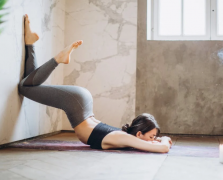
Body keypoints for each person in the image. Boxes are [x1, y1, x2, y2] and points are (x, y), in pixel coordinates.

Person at [18, 14, 172, 153]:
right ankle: (58, 58)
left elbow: (155, 144)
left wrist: (156, 139)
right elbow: (164, 148)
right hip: (76, 104)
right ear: (139, 134)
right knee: (24, 87)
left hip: (81, 103)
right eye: (152, 137)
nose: (154, 140)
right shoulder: (127, 139)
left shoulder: (125, 137)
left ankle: (30, 43)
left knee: (30, 85)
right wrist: (164, 139)